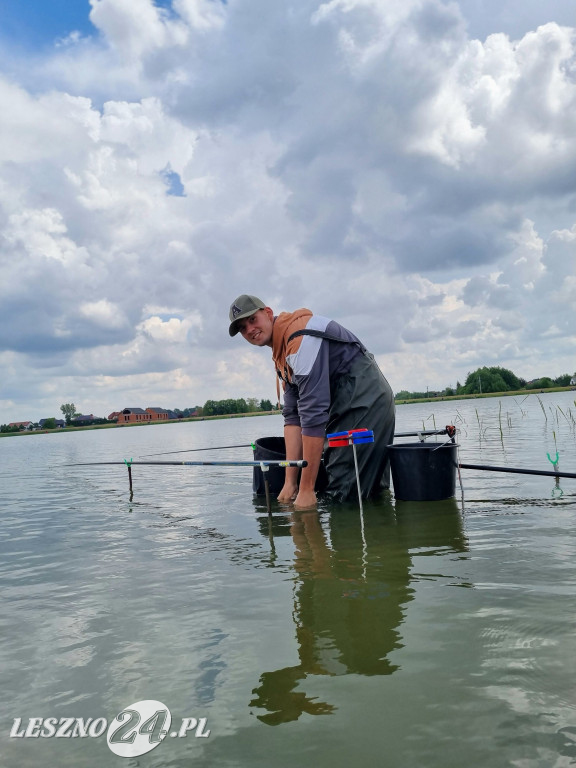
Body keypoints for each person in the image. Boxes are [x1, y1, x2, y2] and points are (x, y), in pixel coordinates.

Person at [228, 294, 395, 509]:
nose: (249, 330)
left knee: (343, 491)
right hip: (343, 403)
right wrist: (290, 483)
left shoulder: (299, 341)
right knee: (365, 490)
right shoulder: (281, 351)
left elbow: (313, 416)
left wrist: (306, 489)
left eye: (252, 320)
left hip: (364, 397)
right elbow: (293, 417)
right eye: (242, 328)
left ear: (268, 313)